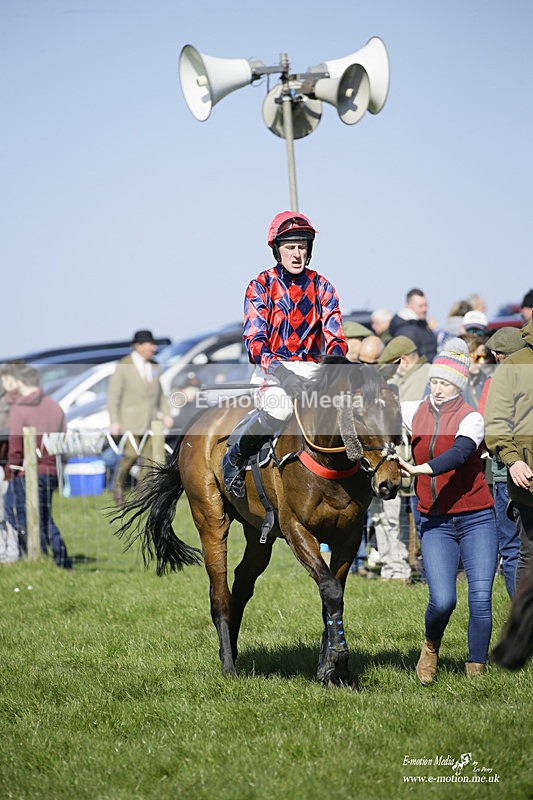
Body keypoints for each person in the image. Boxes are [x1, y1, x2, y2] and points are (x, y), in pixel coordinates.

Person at [222, 212, 347, 497]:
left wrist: (337, 365)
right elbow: (254, 341)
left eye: (302, 246)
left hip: (314, 370)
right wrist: (282, 373)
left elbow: (336, 336)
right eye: (290, 247)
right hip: (272, 371)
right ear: (277, 250)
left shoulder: (323, 286)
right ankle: (235, 458)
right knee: (279, 408)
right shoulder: (260, 285)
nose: (297, 253)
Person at [398, 338, 498, 683]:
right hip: (435, 520)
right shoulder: (413, 411)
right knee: (443, 601)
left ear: (458, 386)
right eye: (435, 382)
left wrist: (420, 469)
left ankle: (476, 670)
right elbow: (378, 410)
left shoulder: (472, 418)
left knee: (481, 598)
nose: (438, 389)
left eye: (446, 383)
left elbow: (458, 454)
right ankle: (430, 647)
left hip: (477, 518)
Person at [0, 364, 72, 568]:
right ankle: (61, 559)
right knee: (45, 516)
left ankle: (38, 557)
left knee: (25, 517)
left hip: (25, 472)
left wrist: (10, 471)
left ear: (20, 382)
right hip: (50, 470)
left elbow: (15, 446)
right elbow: (63, 437)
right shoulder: (53, 405)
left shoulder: (20, 409)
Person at [484, 318, 533, 588]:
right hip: (527, 475)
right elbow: (497, 422)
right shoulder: (513, 365)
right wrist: (512, 460)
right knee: (526, 553)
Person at [107, 330, 173, 506]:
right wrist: (114, 421)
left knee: (150, 460)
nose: (154, 347)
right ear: (138, 346)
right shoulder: (123, 365)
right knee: (130, 455)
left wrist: (166, 413)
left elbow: (161, 394)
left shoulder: (154, 366)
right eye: (150, 344)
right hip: (130, 420)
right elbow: (114, 395)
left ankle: (141, 494)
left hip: (152, 421)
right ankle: (118, 487)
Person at [389, 288, 438, 362]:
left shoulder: (422, 325)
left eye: (426, 305)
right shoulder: (406, 331)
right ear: (408, 306)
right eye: (420, 306)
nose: (425, 309)